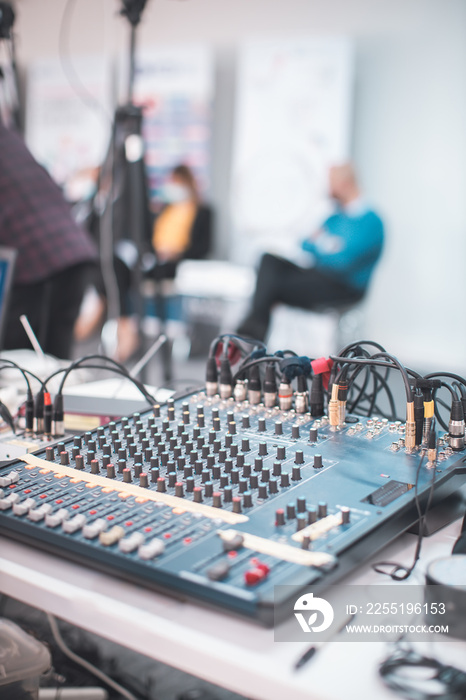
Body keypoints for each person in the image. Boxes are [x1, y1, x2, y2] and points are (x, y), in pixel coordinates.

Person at [237, 163, 384, 341]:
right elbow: (306, 244)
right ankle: (252, 333)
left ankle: (250, 336)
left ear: (345, 183)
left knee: (269, 286)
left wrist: (322, 244)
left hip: (343, 286)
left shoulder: (371, 222)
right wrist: (328, 246)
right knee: (269, 260)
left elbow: (342, 262)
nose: (327, 188)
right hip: (317, 276)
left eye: (331, 183)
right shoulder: (334, 218)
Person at [0, 123, 97, 359]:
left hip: (34, 263)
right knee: (52, 367)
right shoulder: (8, 136)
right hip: (72, 251)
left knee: (19, 368)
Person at [149, 164, 212, 280]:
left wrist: (178, 255)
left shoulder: (202, 211)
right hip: (158, 261)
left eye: (177, 182)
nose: (174, 186)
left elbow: (204, 246)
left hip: (184, 265)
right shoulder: (164, 210)